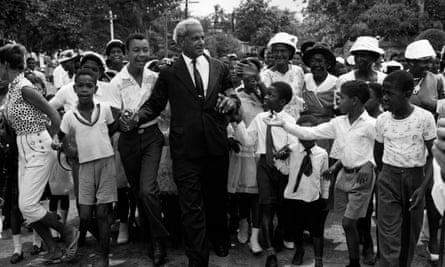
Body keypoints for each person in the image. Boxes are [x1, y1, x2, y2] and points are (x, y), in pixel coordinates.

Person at [135, 18, 239, 267]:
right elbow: (155, 104)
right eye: (195, 38)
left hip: (215, 145)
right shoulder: (169, 71)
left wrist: (232, 102)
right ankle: (197, 258)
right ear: (181, 41)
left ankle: (219, 238)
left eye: (202, 36)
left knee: (216, 200)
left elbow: (232, 95)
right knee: (191, 207)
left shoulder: (219, 67)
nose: (201, 41)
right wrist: (134, 118)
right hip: (185, 150)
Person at [265, 80, 376, 267]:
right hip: (344, 175)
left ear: (355, 100)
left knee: (350, 223)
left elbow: (381, 146)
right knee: (347, 223)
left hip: (362, 177)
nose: (337, 101)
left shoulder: (372, 124)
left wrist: (370, 163)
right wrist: (283, 124)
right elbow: (309, 132)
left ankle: (361, 255)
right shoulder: (338, 123)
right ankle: (354, 261)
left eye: (341, 97)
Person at [0, 43, 79, 264]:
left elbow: (54, 115)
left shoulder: (25, 87)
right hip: (24, 148)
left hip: (38, 146)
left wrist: (56, 139)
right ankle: (53, 248)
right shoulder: (13, 88)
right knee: (26, 208)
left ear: (5, 64)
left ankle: (68, 232)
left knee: (28, 205)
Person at [107, 32, 168, 266]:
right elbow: (114, 117)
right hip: (128, 141)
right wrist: (123, 120)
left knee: (147, 190)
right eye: (136, 50)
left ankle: (159, 241)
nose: (142, 54)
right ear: (127, 53)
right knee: (137, 192)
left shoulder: (156, 77)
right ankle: (149, 235)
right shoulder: (116, 82)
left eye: (145, 50)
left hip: (152, 137)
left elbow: (161, 107)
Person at [52, 68, 118, 267]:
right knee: (86, 215)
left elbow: (113, 128)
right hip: (84, 166)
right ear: (75, 89)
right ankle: (104, 243)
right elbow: (60, 136)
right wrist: (57, 142)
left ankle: (103, 256)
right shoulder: (69, 116)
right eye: (80, 86)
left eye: (89, 86)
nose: (84, 90)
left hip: (106, 162)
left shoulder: (104, 108)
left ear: (95, 88)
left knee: (103, 213)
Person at [375, 70, 436, 267]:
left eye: (390, 93)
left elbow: (433, 156)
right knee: (388, 234)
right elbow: (378, 151)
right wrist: (382, 177)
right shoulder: (382, 120)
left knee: (410, 233)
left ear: (408, 94)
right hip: (388, 177)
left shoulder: (425, 118)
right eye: (383, 92)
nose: (384, 98)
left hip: (415, 179)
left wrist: (423, 187)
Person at [232, 81, 296, 267]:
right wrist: (238, 123)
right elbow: (248, 140)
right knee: (266, 207)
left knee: (282, 207)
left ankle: (281, 235)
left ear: (282, 101)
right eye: (266, 94)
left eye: (271, 95)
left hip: (282, 167)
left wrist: (287, 149)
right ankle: (270, 253)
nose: (266, 98)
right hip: (264, 166)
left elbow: (294, 143)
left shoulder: (289, 121)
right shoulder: (260, 118)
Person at [405, 40, 444, 264]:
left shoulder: (436, 80)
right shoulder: (401, 80)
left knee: (432, 188)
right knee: (411, 188)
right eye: (424, 61)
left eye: (430, 60)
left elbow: (442, 109)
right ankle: (407, 238)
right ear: (411, 62)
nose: (429, 64)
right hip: (406, 140)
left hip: (431, 139)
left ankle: (433, 241)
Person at [280, 114, 330, 267]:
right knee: (297, 227)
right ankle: (299, 250)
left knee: (317, 230)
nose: (307, 135)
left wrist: (325, 196)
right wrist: (279, 158)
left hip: (313, 198)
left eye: (311, 131)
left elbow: (324, 177)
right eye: (303, 131)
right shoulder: (291, 150)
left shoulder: (322, 153)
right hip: (293, 197)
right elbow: (285, 171)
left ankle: (319, 259)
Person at [227, 57, 264, 254]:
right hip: (242, 148)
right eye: (247, 74)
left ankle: (255, 236)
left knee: (257, 194)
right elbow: (228, 118)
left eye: (254, 74)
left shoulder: (265, 97)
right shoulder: (236, 96)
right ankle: (243, 222)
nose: (251, 79)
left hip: (259, 149)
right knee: (243, 194)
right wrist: (230, 137)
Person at [301, 42, 338, 152]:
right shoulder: (304, 79)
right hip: (305, 126)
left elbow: (339, 109)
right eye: (313, 61)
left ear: (327, 64)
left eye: (320, 61)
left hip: (325, 129)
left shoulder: (336, 82)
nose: (316, 64)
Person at [261, 32, 305, 120]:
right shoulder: (266, 75)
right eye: (276, 51)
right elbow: (267, 102)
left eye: (283, 51)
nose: (279, 54)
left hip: (296, 122)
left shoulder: (298, 71)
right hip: (276, 122)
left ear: (290, 53)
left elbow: (300, 96)